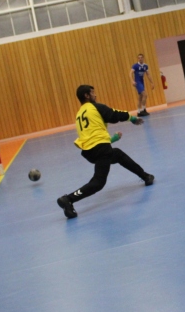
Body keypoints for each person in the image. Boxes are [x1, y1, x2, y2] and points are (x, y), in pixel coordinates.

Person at [57, 85, 154, 219]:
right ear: (86, 95)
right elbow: (114, 114)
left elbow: (92, 138)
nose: (95, 95)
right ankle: (68, 199)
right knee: (98, 183)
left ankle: (146, 176)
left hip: (90, 152)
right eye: (93, 93)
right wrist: (132, 119)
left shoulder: (80, 114)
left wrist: (113, 138)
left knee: (117, 154)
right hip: (100, 149)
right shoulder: (94, 107)